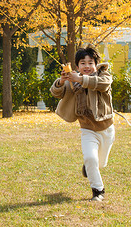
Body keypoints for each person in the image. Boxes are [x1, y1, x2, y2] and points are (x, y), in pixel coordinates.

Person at [50, 45, 115, 202]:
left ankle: (90, 167)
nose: (87, 66)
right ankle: (98, 191)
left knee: (100, 163)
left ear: (95, 64)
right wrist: (61, 81)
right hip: (87, 130)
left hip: (106, 129)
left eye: (90, 62)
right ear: (77, 66)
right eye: (83, 63)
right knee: (91, 158)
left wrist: (80, 79)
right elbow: (56, 92)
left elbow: (102, 84)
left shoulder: (103, 75)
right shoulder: (72, 81)